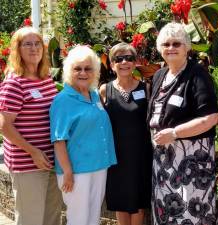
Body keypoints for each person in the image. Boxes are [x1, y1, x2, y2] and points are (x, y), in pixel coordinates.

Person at [147, 22, 218, 225]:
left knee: (190, 211)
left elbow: (210, 118)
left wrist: (175, 132)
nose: (171, 48)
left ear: (186, 47)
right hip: (163, 159)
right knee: (165, 210)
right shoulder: (160, 75)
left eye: (176, 43)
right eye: (166, 44)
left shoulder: (197, 75)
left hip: (191, 159)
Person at [0, 26, 62, 225]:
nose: (34, 48)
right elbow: (4, 126)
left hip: (51, 160)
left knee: (51, 218)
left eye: (37, 44)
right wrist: (33, 151)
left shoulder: (45, 78)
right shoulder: (14, 82)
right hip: (28, 163)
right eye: (27, 44)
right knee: (30, 220)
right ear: (17, 49)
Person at [50, 45, 117, 225]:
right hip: (76, 170)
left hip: (99, 166)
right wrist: (67, 172)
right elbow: (58, 140)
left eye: (88, 68)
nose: (83, 73)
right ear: (68, 71)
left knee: (93, 216)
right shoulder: (63, 100)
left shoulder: (94, 95)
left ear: (94, 71)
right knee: (79, 219)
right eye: (77, 68)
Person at [99, 43, 152, 225]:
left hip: (140, 154)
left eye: (129, 58)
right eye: (118, 59)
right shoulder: (105, 90)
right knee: (120, 199)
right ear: (112, 64)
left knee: (138, 200)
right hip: (116, 155)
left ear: (135, 62)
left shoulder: (146, 89)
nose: (124, 62)